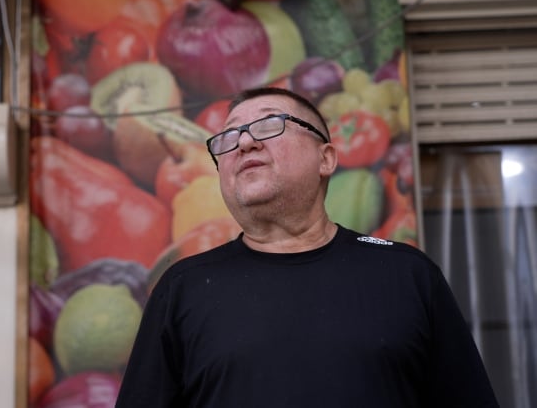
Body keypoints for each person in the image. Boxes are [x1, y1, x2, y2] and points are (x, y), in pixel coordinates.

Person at [114, 87, 499, 407]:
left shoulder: (407, 275)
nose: (244, 143)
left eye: (268, 125)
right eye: (228, 137)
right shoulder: (183, 288)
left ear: (326, 158)